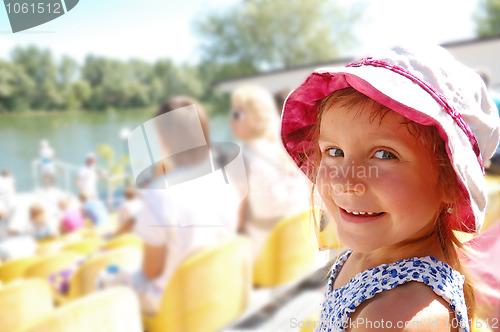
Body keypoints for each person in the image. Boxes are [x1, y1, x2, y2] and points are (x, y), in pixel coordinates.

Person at [280, 45, 500, 331]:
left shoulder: (392, 319)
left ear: (451, 182)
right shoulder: (372, 251)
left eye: (384, 154)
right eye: (334, 151)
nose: (346, 182)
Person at [99, 96, 244, 315]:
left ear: (164, 138)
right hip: (217, 288)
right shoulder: (225, 181)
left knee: (103, 278)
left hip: (177, 303)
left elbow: (151, 271)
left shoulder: (159, 194)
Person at [230, 85, 310, 259]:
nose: (230, 122)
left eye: (236, 115)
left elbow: (233, 222)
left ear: (255, 118)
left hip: (270, 262)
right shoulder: (291, 149)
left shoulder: (243, 158)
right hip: (303, 255)